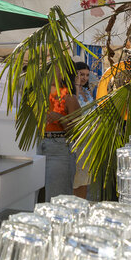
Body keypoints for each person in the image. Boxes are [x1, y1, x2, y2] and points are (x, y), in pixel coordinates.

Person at [37, 61, 81, 200]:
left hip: (59, 149)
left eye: (56, 69)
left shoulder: (69, 98)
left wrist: (60, 118)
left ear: (63, 74)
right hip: (37, 146)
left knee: (56, 200)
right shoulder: (39, 96)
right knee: (37, 199)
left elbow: (77, 131)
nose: (50, 72)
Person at [72, 61, 94, 199]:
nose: (84, 78)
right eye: (81, 74)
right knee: (76, 177)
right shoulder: (70, 93)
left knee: (86, 176)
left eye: (87, 75)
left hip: (89, 138)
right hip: (77, 138)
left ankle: (82, 203)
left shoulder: (87, 91)